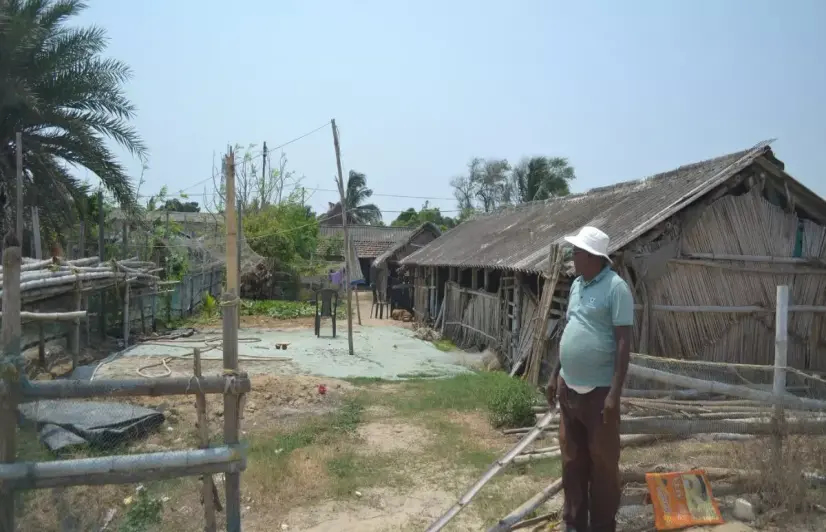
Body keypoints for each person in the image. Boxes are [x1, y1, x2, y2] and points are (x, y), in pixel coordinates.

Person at [545, 226, 634, 532]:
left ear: (594, 257)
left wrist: (614, 394)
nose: (572, 257)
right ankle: (574, 524)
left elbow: (623, 342)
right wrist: (556, 374)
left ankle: (601, 526)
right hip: (570, 390)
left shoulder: (616, 288)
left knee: (604, 465)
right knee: (572, 461)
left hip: (599, 394)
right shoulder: (577, 286)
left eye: (577, 252)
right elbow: (569, 330)